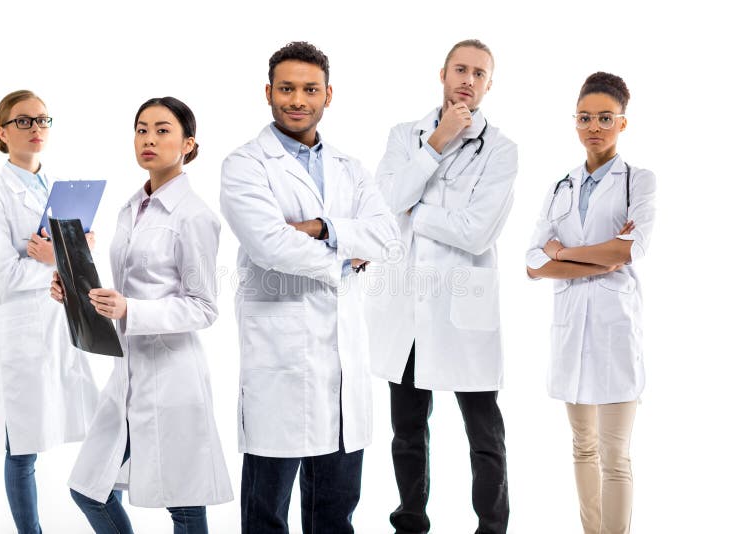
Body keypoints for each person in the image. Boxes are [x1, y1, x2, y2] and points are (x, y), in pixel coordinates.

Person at [219, 41, 400, 534]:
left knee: (335, 515)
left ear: (328, 95)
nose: (297, 100)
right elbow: (270, 246)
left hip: (343, 365)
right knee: (266, 516)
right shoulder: (245, 164)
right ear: (268, 92)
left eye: (309, 89)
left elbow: (387, 235)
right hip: (280, 363)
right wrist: (348, 251)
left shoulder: (350, 166)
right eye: (287, 88)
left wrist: (319, 228)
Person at [52, 96, 233, 534]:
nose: (149, 138)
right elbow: (121, 289)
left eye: (162, 130)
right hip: (128, 371)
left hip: (173, 375)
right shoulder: (130, 208)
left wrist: (132, 309)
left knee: (184, 503)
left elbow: (204, 307)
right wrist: (75, 294)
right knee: (88, 489)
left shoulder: (194, 216)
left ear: (189, 144)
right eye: (141, 129)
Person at [367, 39, 517, 534]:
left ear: (489, 85)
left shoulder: (501, 149)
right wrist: (438, 141)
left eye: (479, 73)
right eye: (460, 69)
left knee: (484, 432)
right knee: (407, 432)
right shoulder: (404, 135)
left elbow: (478, 230)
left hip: (463, 307)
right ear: (443, 73)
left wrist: (415, 211)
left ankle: (492, 527)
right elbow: (388, 200)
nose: (468, 80)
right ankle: (410, 522)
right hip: (408, 309)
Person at [525, 72, 656, 534]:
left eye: (605, 117)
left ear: (622, 123)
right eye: (585, 118)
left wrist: (562, 252)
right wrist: (589, 257)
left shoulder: (638, 182)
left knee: (615, 455)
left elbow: (625, 251)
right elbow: (531, 262)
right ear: (575, 123)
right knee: (583, 447)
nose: (594, 126)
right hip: (570, 332)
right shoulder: (560, 185)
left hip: (615, 332)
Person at [0, 89, 99, 534]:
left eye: (43, 121)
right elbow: (7, 272)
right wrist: (51, 262)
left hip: (64, 324)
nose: (35, 129)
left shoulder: (60, 189)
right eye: (24, 121)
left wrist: (73, 252)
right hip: (24, 329)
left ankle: (105, 511)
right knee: (23, 445)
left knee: (99, 428)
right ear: (2, 132)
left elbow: (74, 257)